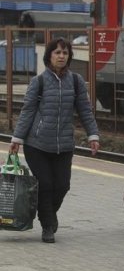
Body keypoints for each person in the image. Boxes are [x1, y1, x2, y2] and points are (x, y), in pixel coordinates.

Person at [9, 37, 100, 243]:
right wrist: (17, 138)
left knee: (62, 186)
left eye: (65, 53)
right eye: (57, 52)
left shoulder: (76, 81)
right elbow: (28, 111)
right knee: (46, 184)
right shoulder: (38, 81)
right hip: (37, 144)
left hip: (64, 144)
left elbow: (85, 110)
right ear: (49, 56)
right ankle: (47, 225)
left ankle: (47, 213)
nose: (61, 56)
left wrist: (93, 135)